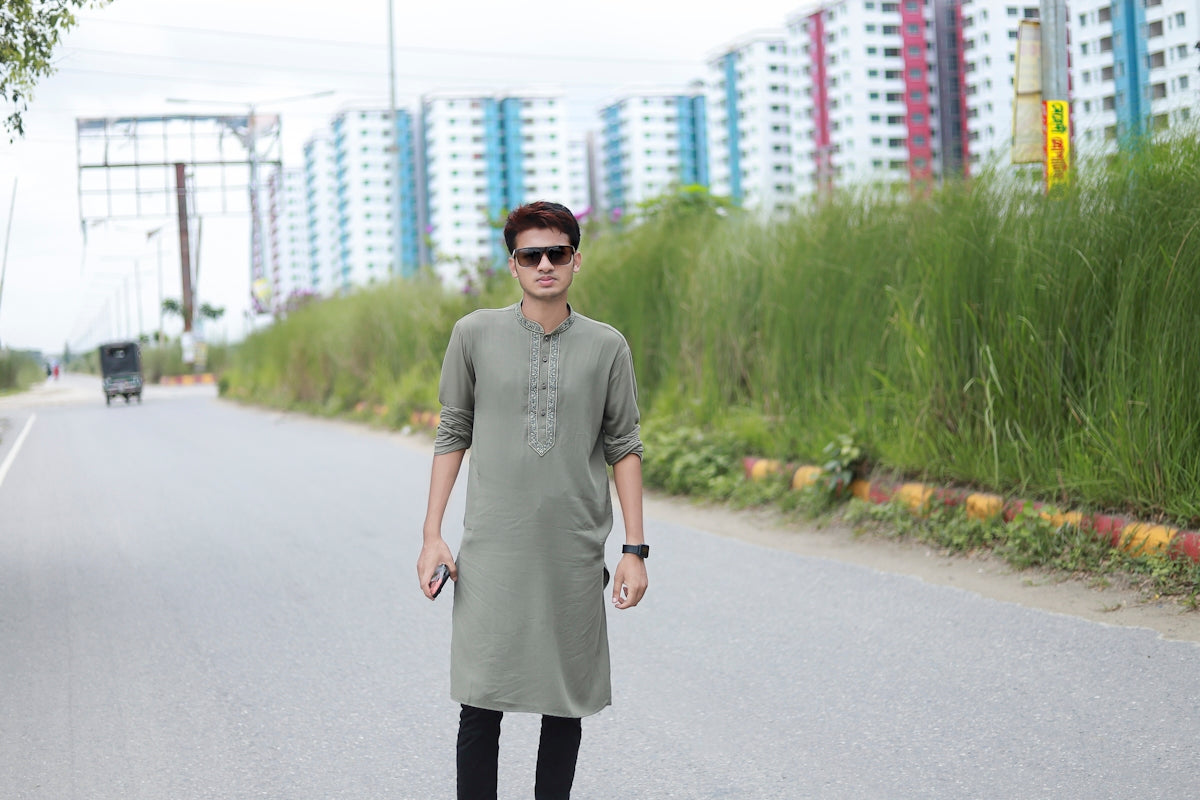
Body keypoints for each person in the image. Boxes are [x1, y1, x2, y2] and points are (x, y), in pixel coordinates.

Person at [417, 200, 649, 800]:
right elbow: (453, 430)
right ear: (513, 265)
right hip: (492, 550)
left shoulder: (608, 346)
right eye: (531, 256)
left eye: (557, 253)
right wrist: (432, 536)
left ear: (576, 259)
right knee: (481, 700)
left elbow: (624, 445)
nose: (545, 264)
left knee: (565, 701)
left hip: (572, 548)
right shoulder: (473, 334)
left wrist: (634, 550)